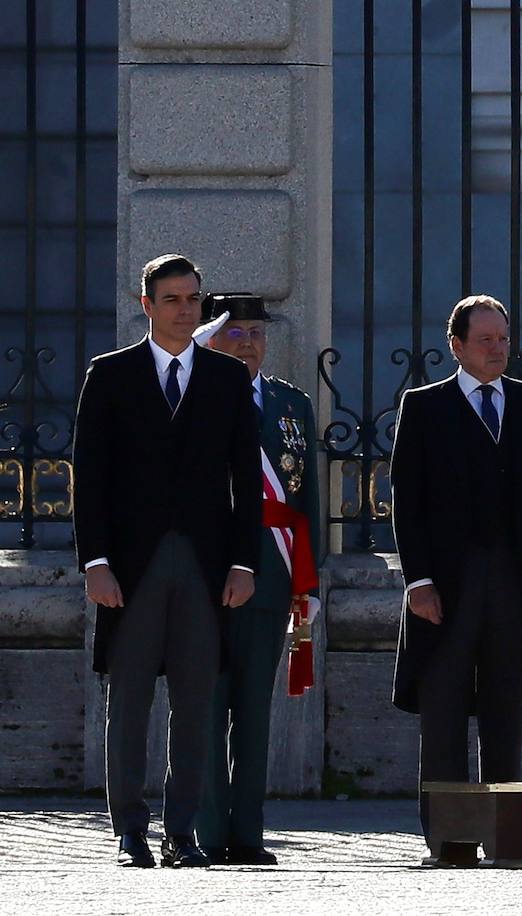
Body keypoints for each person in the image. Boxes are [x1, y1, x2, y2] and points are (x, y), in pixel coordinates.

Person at [73, 254, 261, 868]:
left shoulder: (228, 379)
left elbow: (244, 480)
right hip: (130, 566)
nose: (187, 311)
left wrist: (244, 564)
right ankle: (129, 827)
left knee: (196, 699)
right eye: (174, 300)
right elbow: (91, 479)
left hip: (206, 564)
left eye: (195, 300)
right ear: (148, 305)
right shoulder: (110, 375)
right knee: (128, 699)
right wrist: (95, 562)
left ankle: (181, 829)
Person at [389, 295, 522, 867]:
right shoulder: (424, 407)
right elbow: (407, 503)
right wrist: (417, 581)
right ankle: (450, 839)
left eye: (504, 338)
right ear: (457, 346)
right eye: (485, 340)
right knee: (442, 710)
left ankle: (507, 834)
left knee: (504, 708)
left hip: (514, 584)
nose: (497, 349)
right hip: (446, 585)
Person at [196, 293, 321, 866]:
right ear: (211, 338)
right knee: (204, 707)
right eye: (235, 332)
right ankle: (205, 830)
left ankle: (247, 833)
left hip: (271, 573)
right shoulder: (193, 395)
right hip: (207, 574)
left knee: (253, 711)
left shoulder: (291, 404)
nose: (248, 343)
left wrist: (308, 581)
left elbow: (305, 499)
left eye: (256, 333)